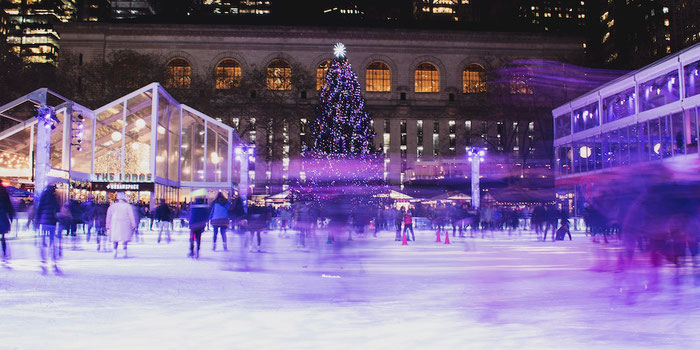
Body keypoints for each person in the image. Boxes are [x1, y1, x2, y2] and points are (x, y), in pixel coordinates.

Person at [36, 185, 61, 273]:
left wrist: (37, 222)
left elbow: (39, 210)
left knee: (43, 243)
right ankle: (54, 262)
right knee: (52, 243)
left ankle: (43, 262)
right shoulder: (54, 198)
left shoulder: (43, 197)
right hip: (52, 223)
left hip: (44, 222)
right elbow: (58, 210)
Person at [106, 192, 137, 259]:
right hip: (125, 223)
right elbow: (131, 216)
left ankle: (115, 252)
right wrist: (133, 224)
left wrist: (107, 225)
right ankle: (125, 253)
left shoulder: (113, 206)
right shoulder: (127, 206)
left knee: (115, 239)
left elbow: (109, 216)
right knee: (125, 239)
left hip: (115, 223)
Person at [0, 184, 16, 264]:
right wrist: (11, 218)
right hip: (2, 216)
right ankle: (4, 252)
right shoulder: (4, 192)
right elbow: (9, 206)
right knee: (3, 237)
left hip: (2, 215)